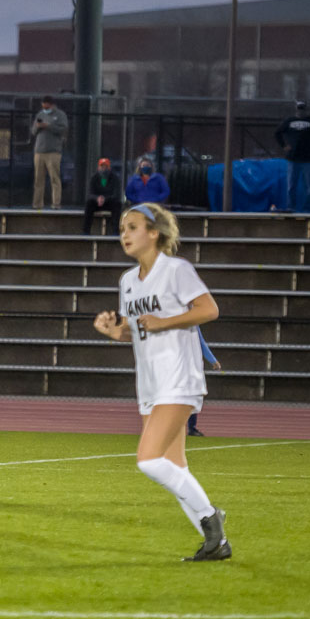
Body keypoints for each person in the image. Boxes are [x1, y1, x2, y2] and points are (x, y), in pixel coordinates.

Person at [92, 202, 230, 562]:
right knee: (176, 466)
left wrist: (164, 321)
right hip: (150, 382)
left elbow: (209, 310)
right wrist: (112, 331)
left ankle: (211, 518)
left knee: (148, 461)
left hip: (180, 375)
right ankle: (215, 542)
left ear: (154, 233)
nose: (125, 234)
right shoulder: (127, 281)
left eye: (133, 227)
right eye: (123, 228)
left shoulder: (176, 270)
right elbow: (135, 331)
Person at [274, 101, 310, 213]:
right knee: (291, 186)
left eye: (302, 109)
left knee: (308, 188)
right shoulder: (289, 121)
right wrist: (284, 145)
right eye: (299, 109)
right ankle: (291, 208)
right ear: (296, 109)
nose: (301, 111)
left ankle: (308, 208)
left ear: (305, 110)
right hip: (293, 158)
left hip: (308, 159)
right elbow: (277, 133)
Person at [31, 95, 69, 209]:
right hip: (39, 151)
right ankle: (37, 204)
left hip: (53, 152)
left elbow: (63, 130)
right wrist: (38, 126)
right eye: (43, 106)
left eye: (47, 106)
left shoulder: (60, 115)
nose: (45, 108)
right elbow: (33, 132)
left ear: (52, 105)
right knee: (38, 179)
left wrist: (49, 126)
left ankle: (56, 203)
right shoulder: (40, 114)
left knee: (54, 178)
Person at [187, 330, 221, 437]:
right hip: (182, 366)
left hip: (191, 366)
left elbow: (200, 342)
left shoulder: (192, 323)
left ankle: (191, 427)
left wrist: (212, 360)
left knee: (194, 395)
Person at [83, 158, 123, 235]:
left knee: (117, 204)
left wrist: (105, 199)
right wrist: (97, 198)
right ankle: (86, 231)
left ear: (109, 168)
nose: (104, 169)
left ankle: (116, 231)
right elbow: (90, 193)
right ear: (98, 167)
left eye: (106, 166)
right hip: (97, 203)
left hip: (109, 202)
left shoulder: (115, 178)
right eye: (102, 166)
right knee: (89, 204)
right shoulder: (94, 178)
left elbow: (116, 194)